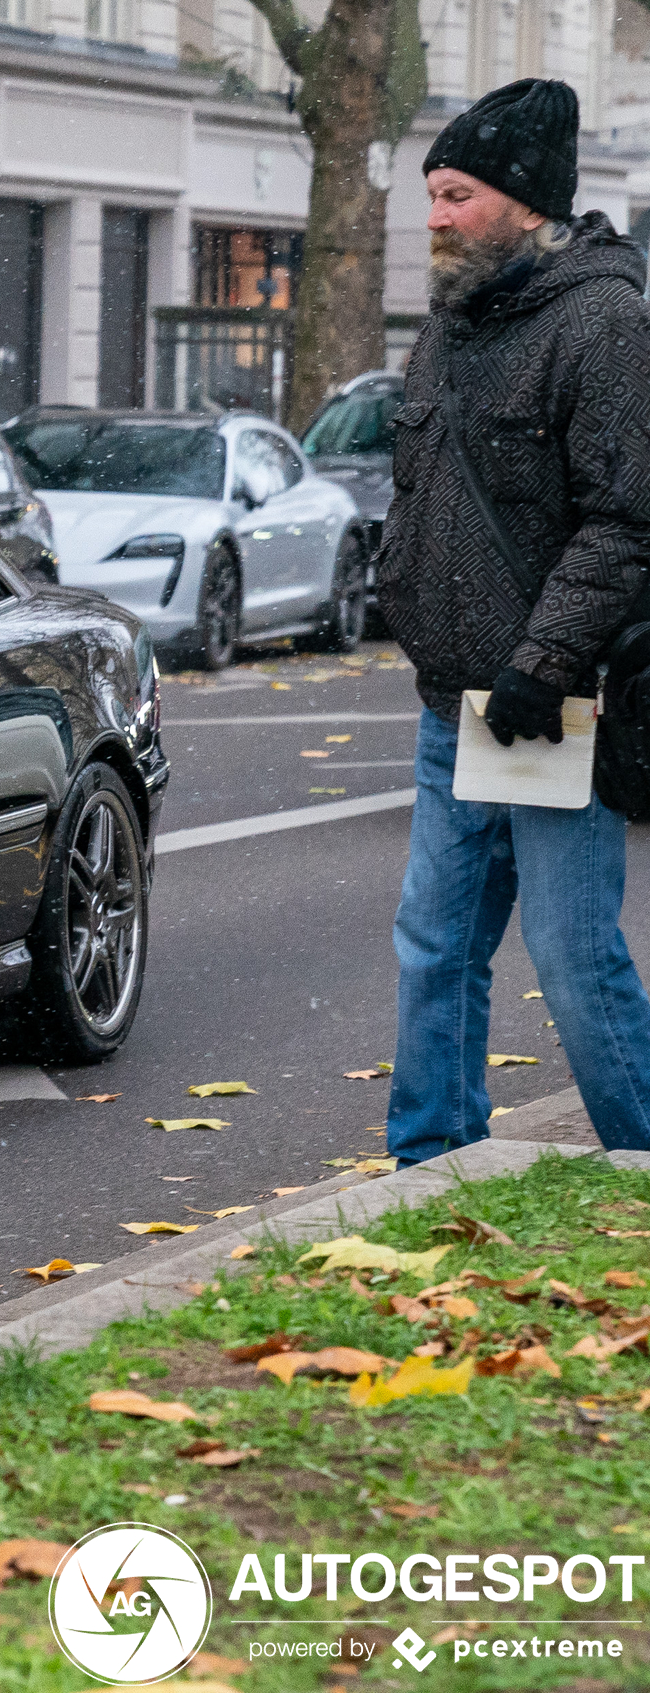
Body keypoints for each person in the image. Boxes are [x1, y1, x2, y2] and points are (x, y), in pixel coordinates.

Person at [377, 77, 650, 1165]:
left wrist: (542, 663)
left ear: (525, 203)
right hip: (456, 702)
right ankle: (430, 1164)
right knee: (432, 947)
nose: (434, 216)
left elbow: (626, 519)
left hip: (544, 705)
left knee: (568, 951)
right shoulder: (450, 320)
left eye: (455, 194)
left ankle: (638, 1165)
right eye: (430, 194)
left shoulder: (601, 322)